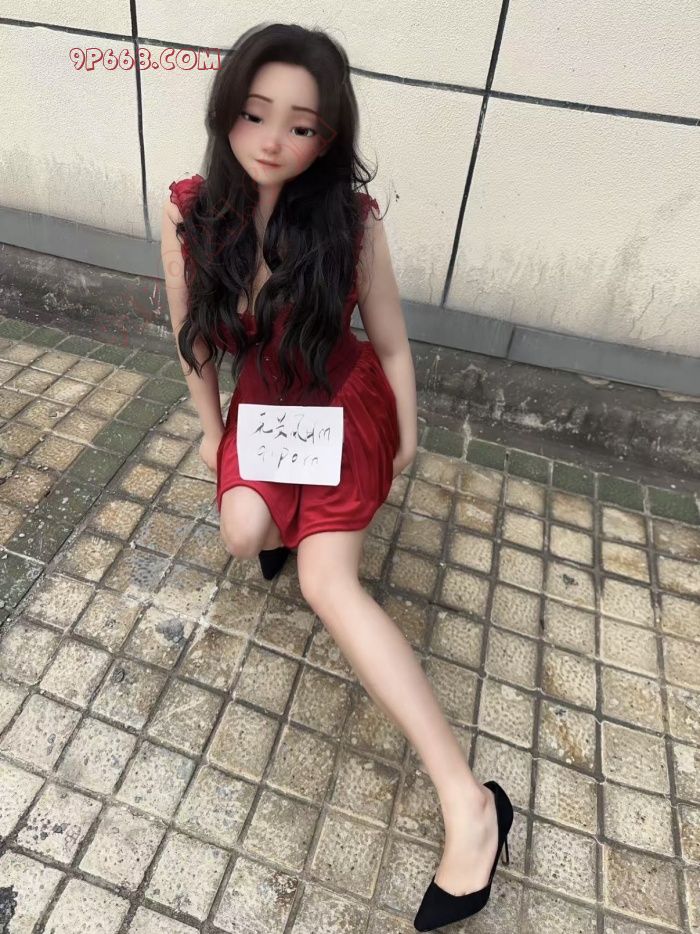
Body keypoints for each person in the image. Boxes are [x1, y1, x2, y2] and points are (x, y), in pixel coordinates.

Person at [160, 22, 512, 930]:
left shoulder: (350, 223)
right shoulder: (191, 214)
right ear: (226, 110)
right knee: (244, 533)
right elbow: (195, 343)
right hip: (265, 411)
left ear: (328, 137)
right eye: (255, 114)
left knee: (326, 582)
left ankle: (471, 805)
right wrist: (212, 436)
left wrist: (407, 433)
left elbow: (390, 343)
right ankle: (289, 522)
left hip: (342, 405)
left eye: (302, 125)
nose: (273, 139)